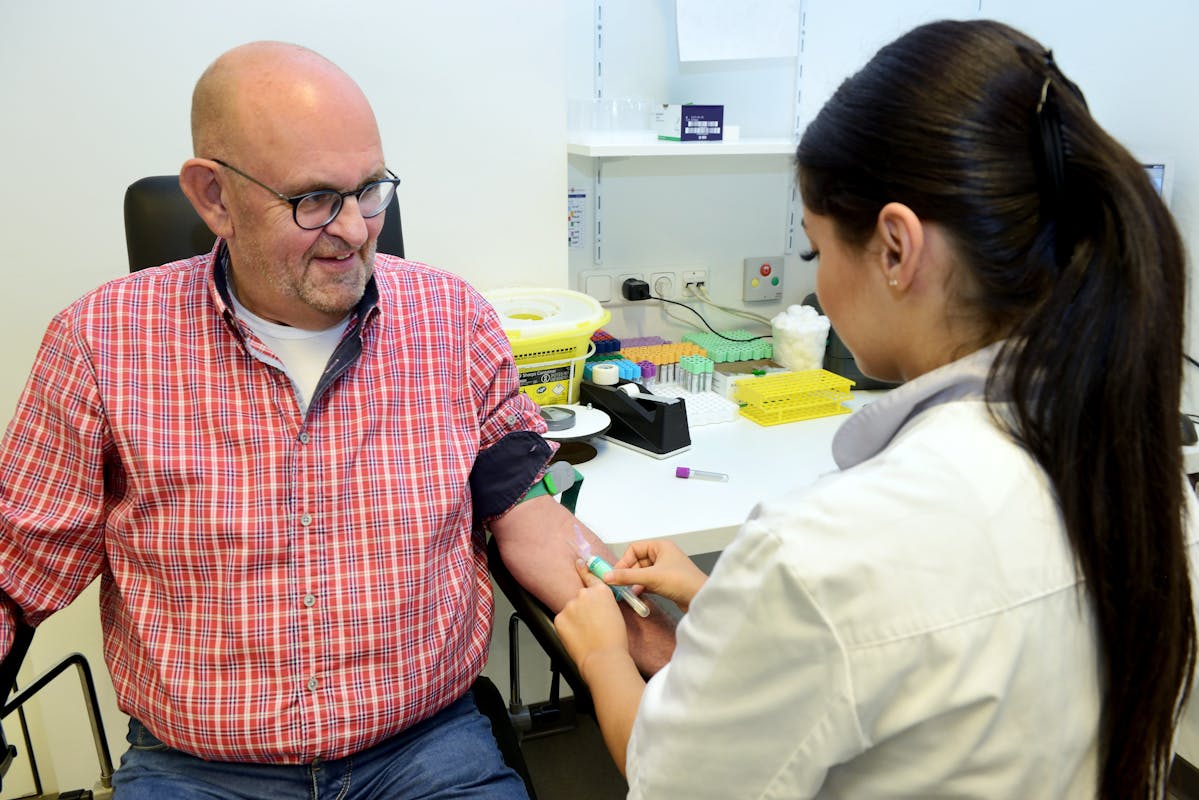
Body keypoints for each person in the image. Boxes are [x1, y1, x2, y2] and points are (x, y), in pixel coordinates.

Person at [0, 41, 672, 798]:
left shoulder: (453, 320)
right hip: (201, 769)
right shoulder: (100, 344)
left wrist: (678, 662)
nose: (355, 230)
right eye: (314, 199)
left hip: (426, 748)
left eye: (370, 190)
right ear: (213, 197)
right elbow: (14, 571)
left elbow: (529, 514)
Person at [555, 18, 1198, 800]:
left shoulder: (815, 552)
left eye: (815, 251)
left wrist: (601, 655)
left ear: (896, 248)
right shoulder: (1143, 482)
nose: (817, 286)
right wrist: (730, 607)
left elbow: (670, 786)